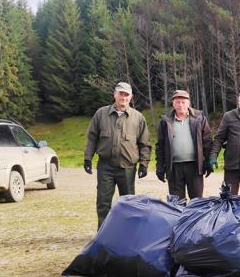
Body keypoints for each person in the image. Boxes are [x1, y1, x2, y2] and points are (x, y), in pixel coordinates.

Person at [84, 82, 151, 228]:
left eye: (126, 94)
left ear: (131, 97)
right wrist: (87, 158)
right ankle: (103, 234)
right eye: (120, 93)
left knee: (129, 204)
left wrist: (144, 165)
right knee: (103, 202)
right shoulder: (101, 114)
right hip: (105, 166)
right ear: (115, 95)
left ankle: (127, 234)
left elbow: (144, 143)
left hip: (127, 167)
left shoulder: (138, 117)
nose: (123, 97)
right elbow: (92, 137)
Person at [155, 89, 213, 199]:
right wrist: (160, 167)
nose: (181, 105)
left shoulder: (199, 118)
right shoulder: (165, 121)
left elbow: (207, 142)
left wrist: (208, 162)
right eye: (177, 102)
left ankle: (195, 217)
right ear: (173, 103)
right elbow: (160, 146)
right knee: (176, 204)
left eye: (183, 102)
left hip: (194, 166)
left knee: (197, 202)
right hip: (174, 167)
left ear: (189, 103)